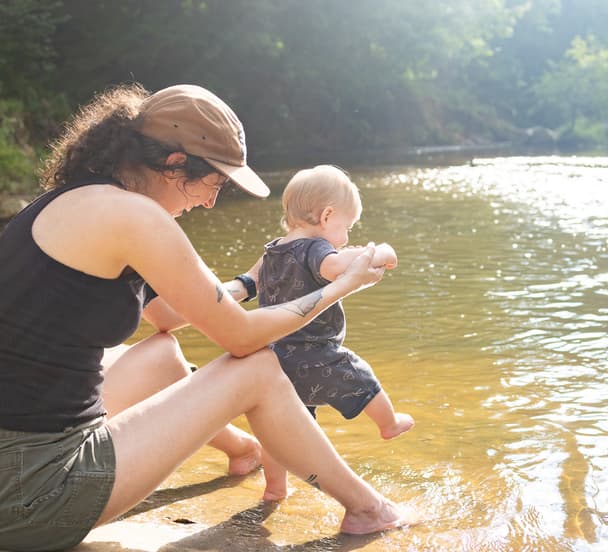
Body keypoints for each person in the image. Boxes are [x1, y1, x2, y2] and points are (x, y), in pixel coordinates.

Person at [0, 84, 412, 552]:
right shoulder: (137, 218)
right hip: (33, 493)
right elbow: (241, 338)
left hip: (13, 463)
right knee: (259, 368)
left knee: (161, 354)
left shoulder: (77, 200)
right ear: (176, 164)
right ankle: (368, 509)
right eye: (214, 183)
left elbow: (167, 316)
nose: (211, 202)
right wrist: (341, 286)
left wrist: (249, 282)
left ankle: (245, 451)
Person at [257, 165, 415, 498]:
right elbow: (337, 267)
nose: (345, 237)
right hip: (316, 354)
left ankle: (274, 488)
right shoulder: (315, 248)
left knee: (278, 430)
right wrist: (381, 251)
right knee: (359, 374)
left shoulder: (272, 251)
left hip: (276, 359)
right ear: (327, 216)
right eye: (347, 227)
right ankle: (388, 423)